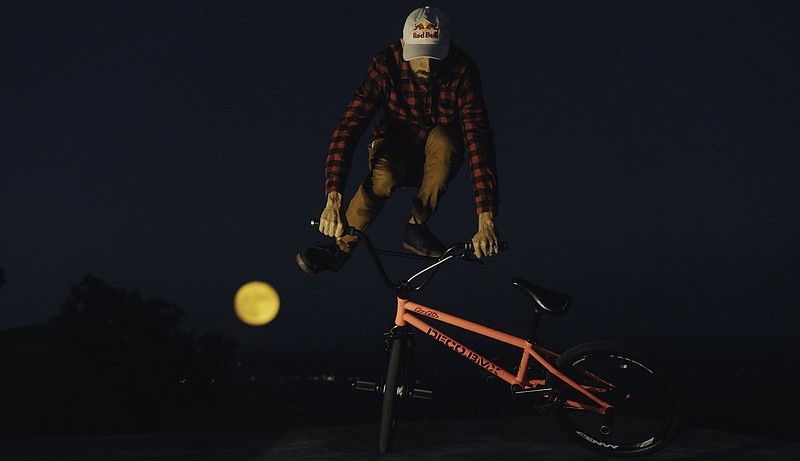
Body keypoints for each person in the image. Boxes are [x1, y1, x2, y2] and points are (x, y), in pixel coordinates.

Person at [297, 6, 500, 274]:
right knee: (385, 175)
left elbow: (478, 140)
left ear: (448, 48)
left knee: (446, 138)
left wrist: (485, 221)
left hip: (439, 156)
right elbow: (348, 128)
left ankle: (417, 227)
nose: (426, 67)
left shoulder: (463, 70)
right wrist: (332, 201)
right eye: (418, 57)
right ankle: (340, 249)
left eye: (435, 56)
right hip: (393, 148)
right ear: (404, 44)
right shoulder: (385, 65)